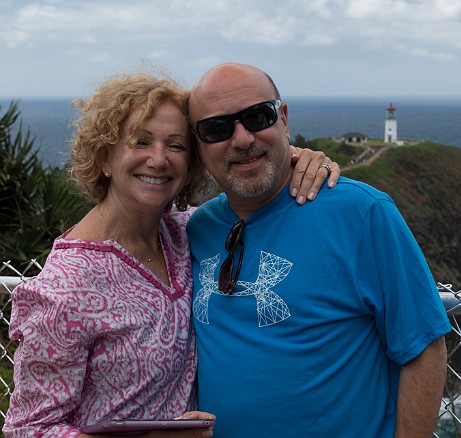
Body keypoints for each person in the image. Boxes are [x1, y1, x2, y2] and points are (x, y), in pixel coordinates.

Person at [3, 72, 340, 438]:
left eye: (176, 145)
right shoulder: (66, 286)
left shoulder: (187, 232)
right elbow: (28, 429)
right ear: (103, 156)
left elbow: (252, 195)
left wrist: (298, 159)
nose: (159, 160)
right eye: (141, 142)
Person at [186, 62, 452, 437]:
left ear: (284, 119)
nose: (242, 139)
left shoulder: (361, 213)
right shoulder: (195, 228)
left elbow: (423, 347)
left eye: (258, 116)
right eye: (217, 128)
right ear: (198, 145)